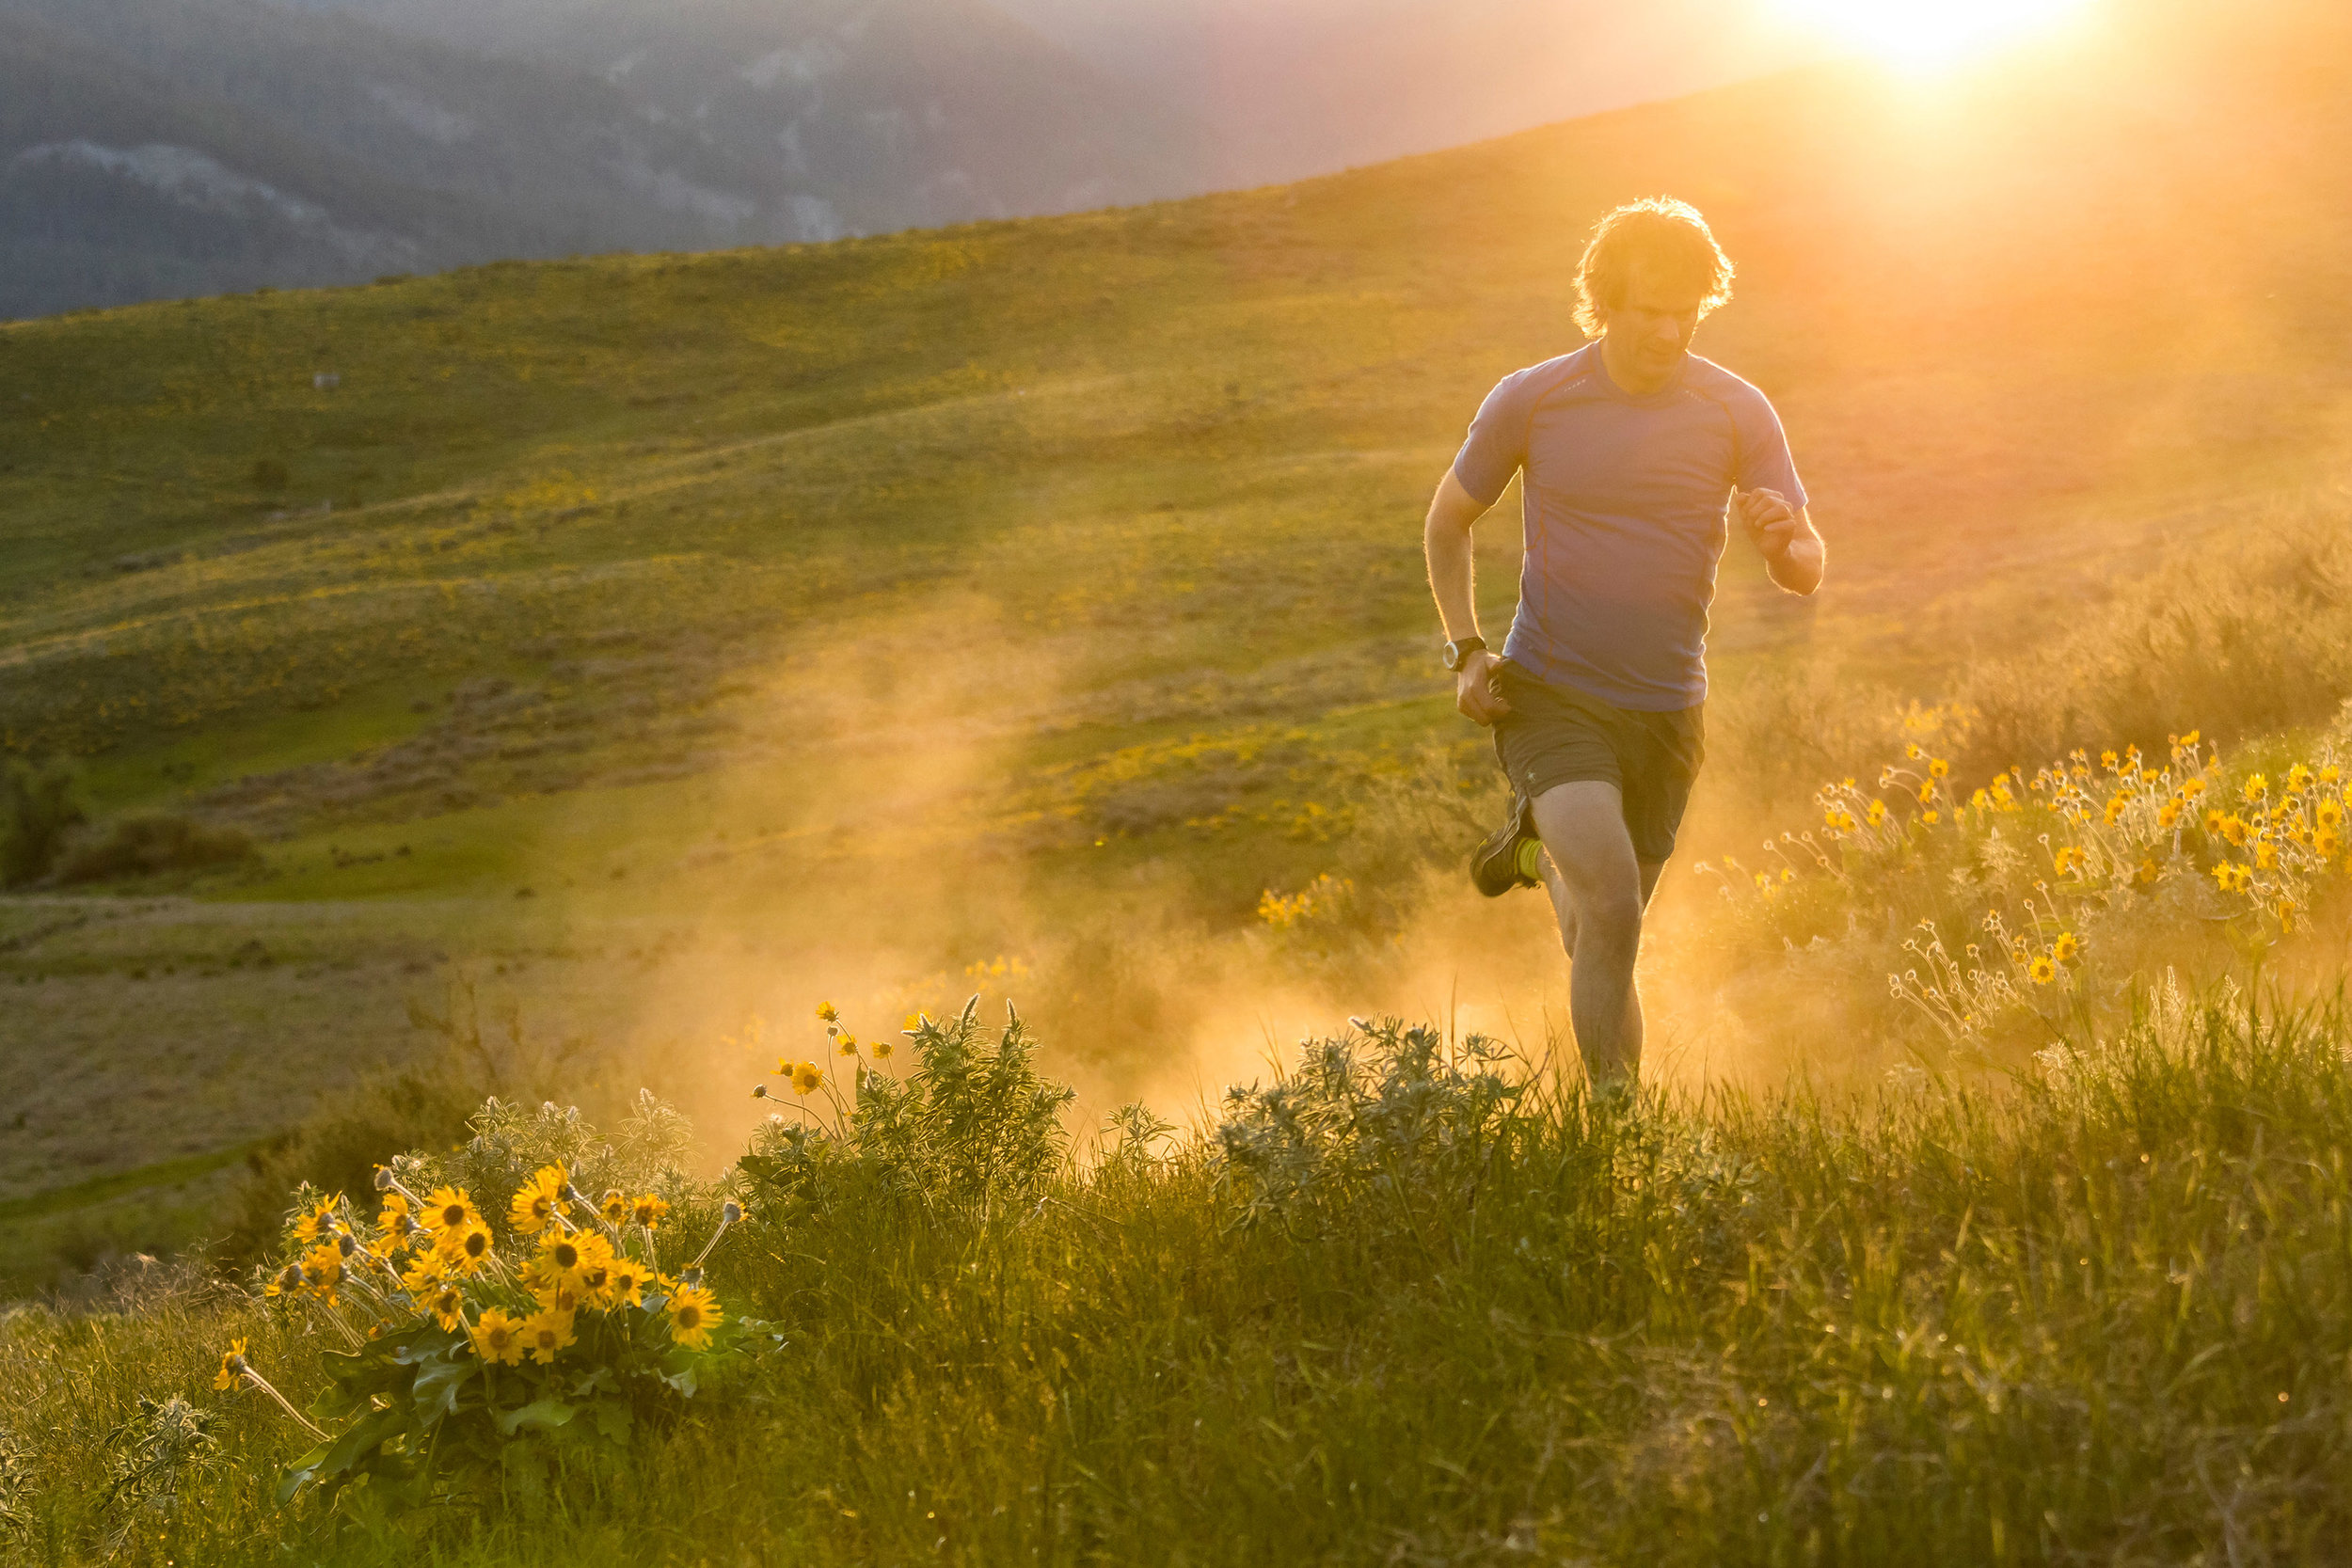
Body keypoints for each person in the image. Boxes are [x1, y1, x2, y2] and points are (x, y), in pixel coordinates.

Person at [1421, 196, 1824, 1085]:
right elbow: (1448, 523)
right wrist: (1467, 649)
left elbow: (1807, 564)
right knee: (1614, 912)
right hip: (1552, 693)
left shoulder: (1736, 410)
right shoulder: (1535, 398)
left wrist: (1783, 542)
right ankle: (1619, 1138)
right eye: (1651, 310)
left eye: (1687, 311)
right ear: (1605, 302)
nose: (1670, 330)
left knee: (1593, 924)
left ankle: (1531, 849)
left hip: (1668, 712)